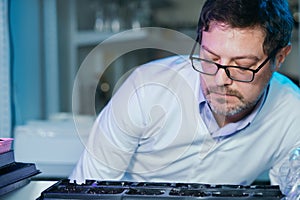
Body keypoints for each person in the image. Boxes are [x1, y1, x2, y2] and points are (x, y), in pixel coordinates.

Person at [70, 0, 300, 192]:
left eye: (242, 66)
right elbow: (84, 191)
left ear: (279, 57)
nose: (220, 81)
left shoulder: (291, 111)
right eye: (210, 59)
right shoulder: (147, 89)